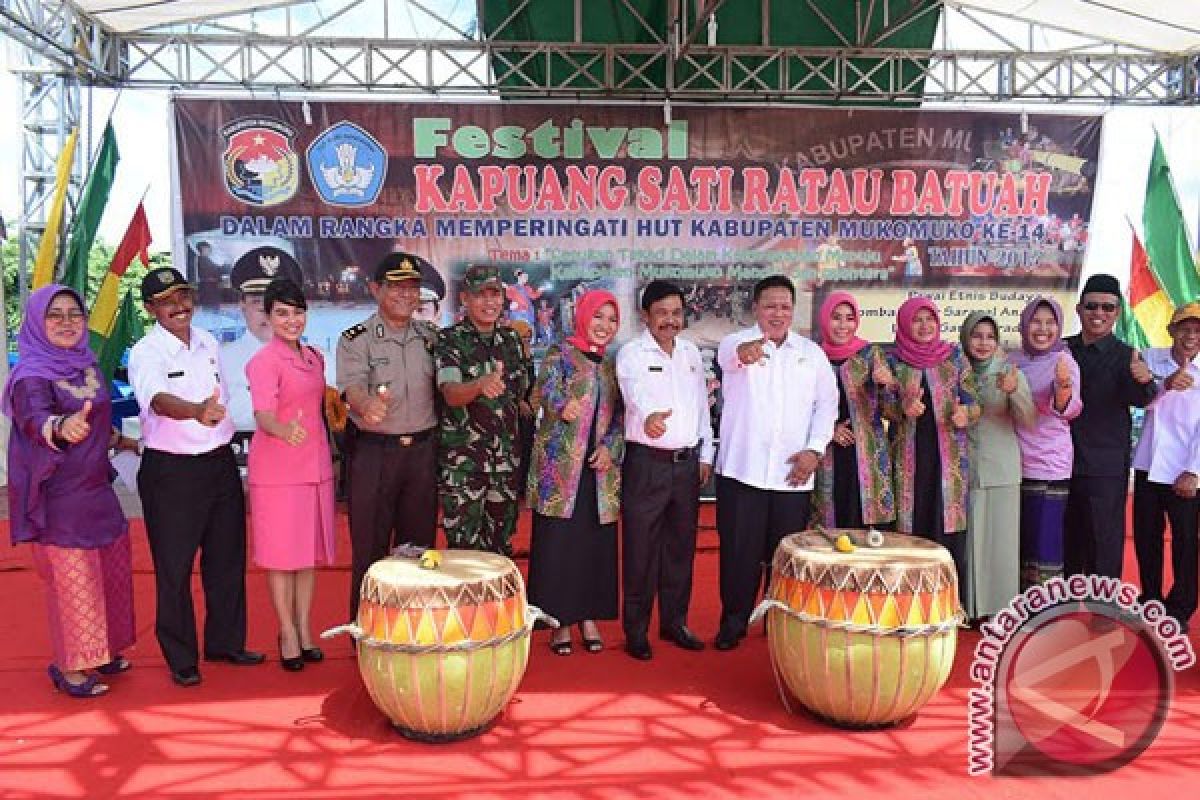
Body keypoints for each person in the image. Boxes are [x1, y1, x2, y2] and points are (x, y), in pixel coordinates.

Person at [129, 267, 264, 687]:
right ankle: (181, 657)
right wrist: (195, 411)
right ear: (152, 309)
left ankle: (225, 642)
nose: (179, 307)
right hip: (171, 471)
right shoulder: (146, 352)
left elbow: (220, 395)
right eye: (167, 301)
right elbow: (159, 400)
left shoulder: (207, 341)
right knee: (174, 568)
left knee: (227, 558)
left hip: (218, 462)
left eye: (184, 297)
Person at [3, 285, 137, 697]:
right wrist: (59, 428)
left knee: (112, 573)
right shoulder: (30, 376)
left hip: (97, 489)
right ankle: (71, 669)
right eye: (55, 315)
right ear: (37, 323)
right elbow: (33, 419)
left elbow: (95, 419)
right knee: (73, 582)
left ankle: (104, 651)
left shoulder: (88, 365)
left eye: (73, 314)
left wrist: (118, 440)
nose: (65, 322)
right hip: (58, 494)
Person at [713, 275, 838, 651]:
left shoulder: (811, 354)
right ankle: (733, 624)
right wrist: (746, 354)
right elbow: (730, 359)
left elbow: (826, 406)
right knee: (738, 555)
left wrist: (814, 451)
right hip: (742, 472)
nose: (778, 314)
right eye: (770, 306)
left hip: (792, 475)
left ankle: (779, 626)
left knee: (784, 559)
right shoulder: (735, 343)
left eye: (785, 307)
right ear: (756, 309)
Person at [336, 252, 439, 618]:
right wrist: (366, 406)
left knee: (419, 548)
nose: (406, 295)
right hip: (376, 453)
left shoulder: (430, 337)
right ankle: (367, 631)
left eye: (412, 287)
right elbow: (351, 387)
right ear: (375, 289)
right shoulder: (356, 339)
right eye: (396, 286)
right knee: (371, 549)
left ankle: (416, 627)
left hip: (423, 455)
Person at [616, 281, 714, 660]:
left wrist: (706, 454)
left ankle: (675, 623)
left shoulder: (690, 353)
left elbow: (701, 406)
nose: (670, 321)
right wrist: (648, 417)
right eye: (662, 313)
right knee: (640, 551)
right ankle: (636, 631)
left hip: (687, 466)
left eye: (676, 313)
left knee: (680, 550)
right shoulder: (632, 353)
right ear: (646, 316)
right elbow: (633, 394)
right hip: (647, 465)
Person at [526, 290, 623, 656]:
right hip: (560, 470)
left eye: (612, 320)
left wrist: (610, 449)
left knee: (594, 546)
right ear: (583, 317)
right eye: (598, 317)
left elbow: (621, 416)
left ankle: (589, 617)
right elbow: (541, 391)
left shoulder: (612, 364)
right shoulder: (560, 353)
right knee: (559, 545)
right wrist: (562, 404)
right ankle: (559, 621)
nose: (604, 326)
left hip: (599, 473)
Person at [245, 278, 336, 670]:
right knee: (282, 558)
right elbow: (263, 414)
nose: (291, 320)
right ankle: (287, 633)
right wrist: (283, 429)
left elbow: (319, 400)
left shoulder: (315, 356)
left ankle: (304, 629)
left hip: (314, 467)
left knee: (306, 557)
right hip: (278, 471)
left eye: (297, 312)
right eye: (282, 313)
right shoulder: (262, 362)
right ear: (267, 317)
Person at [885, 296, 979, 605]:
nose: (925, 326)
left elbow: (974, 401)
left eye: (930, 320)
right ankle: (909, 604)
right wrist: (903, 408)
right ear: (905, 324)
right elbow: (883, 408)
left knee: (947, 526)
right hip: (908, 459)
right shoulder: (894, 360)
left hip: (948, 460)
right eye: (917, 320)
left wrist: (967, 414)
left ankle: (949, 604)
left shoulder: (954, 357)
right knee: (912, 526)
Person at [435, 265, 532, 555]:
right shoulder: (450, 339)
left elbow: (523, 394)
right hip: (465, 466)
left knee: (500, 550)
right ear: (465, 298)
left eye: (496, 295)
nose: (490, 302)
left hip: (504, 465)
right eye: (481, 295)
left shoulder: (512, 341)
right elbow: (450, 394)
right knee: (463, 551)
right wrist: (479, 385)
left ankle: (498, 604)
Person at [1065, 274, 1157, 579]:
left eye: (1108, 307)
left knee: (1103, 544)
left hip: (1104, 467)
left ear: (1117, 312)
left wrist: (1145, 381)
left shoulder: (1126, 356)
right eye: (1092, 306)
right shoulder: (1061, 350)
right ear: (1079, 309)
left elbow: (1140, 399)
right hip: (1059, 464)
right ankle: (1058, 610)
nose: (1099, 314)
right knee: (1062, 541)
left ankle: (1103, 613)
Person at [960, 312, 1035, 621]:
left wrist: (1013, 391)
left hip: (1001, 470)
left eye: (990, 337)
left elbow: (1029, 420)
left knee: (1000, 544)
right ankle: (969, 608)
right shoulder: (955, 372)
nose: (983, 343)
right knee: (970, 543)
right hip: (963, 471)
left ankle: (999, 611)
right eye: (976, 336)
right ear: (965, 338)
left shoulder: (1010, 373)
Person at [1131, 302, 1200, 632]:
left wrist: (1195, 471)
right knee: (1146, 537)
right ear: (1171, 330)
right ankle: (1151, 599)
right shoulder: (1148, 357)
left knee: (1186, 540)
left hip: (1185, 469)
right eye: (1185, 328)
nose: (1191, 336)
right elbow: (1140, 400)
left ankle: (1182, 607)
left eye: (1198, 331)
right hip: (1148, 463)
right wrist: (1165, 384)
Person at [1009, 296, 1082, 589]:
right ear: (1025, 325)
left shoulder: (1063, 361)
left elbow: (1069, 408)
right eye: (1036, 322)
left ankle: (1043, 611)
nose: (1043, 329)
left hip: (1048, 466)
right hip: (1013, 465)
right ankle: (1016, 605)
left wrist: (1062, 385)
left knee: (1044, 544)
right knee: (1019, 541)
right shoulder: (1012, 360)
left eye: (1050, 323)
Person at [811, 291, 896, 530]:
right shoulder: (812, 356)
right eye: (836, 317)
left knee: (868, 536)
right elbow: (799, 406)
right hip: (825, 454)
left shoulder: (871, 355)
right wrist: (830, 429)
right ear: (825, 319)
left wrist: (885, 386)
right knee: (830, 533)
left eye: (849, 318)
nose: (843, 325)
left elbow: (892, 412)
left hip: (867, 456)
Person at [222, 246, 306, 434]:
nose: (267, 312)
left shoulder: (318, 360)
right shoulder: (220, 359)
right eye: (258, 301)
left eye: (279, 304)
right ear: (242, 303)